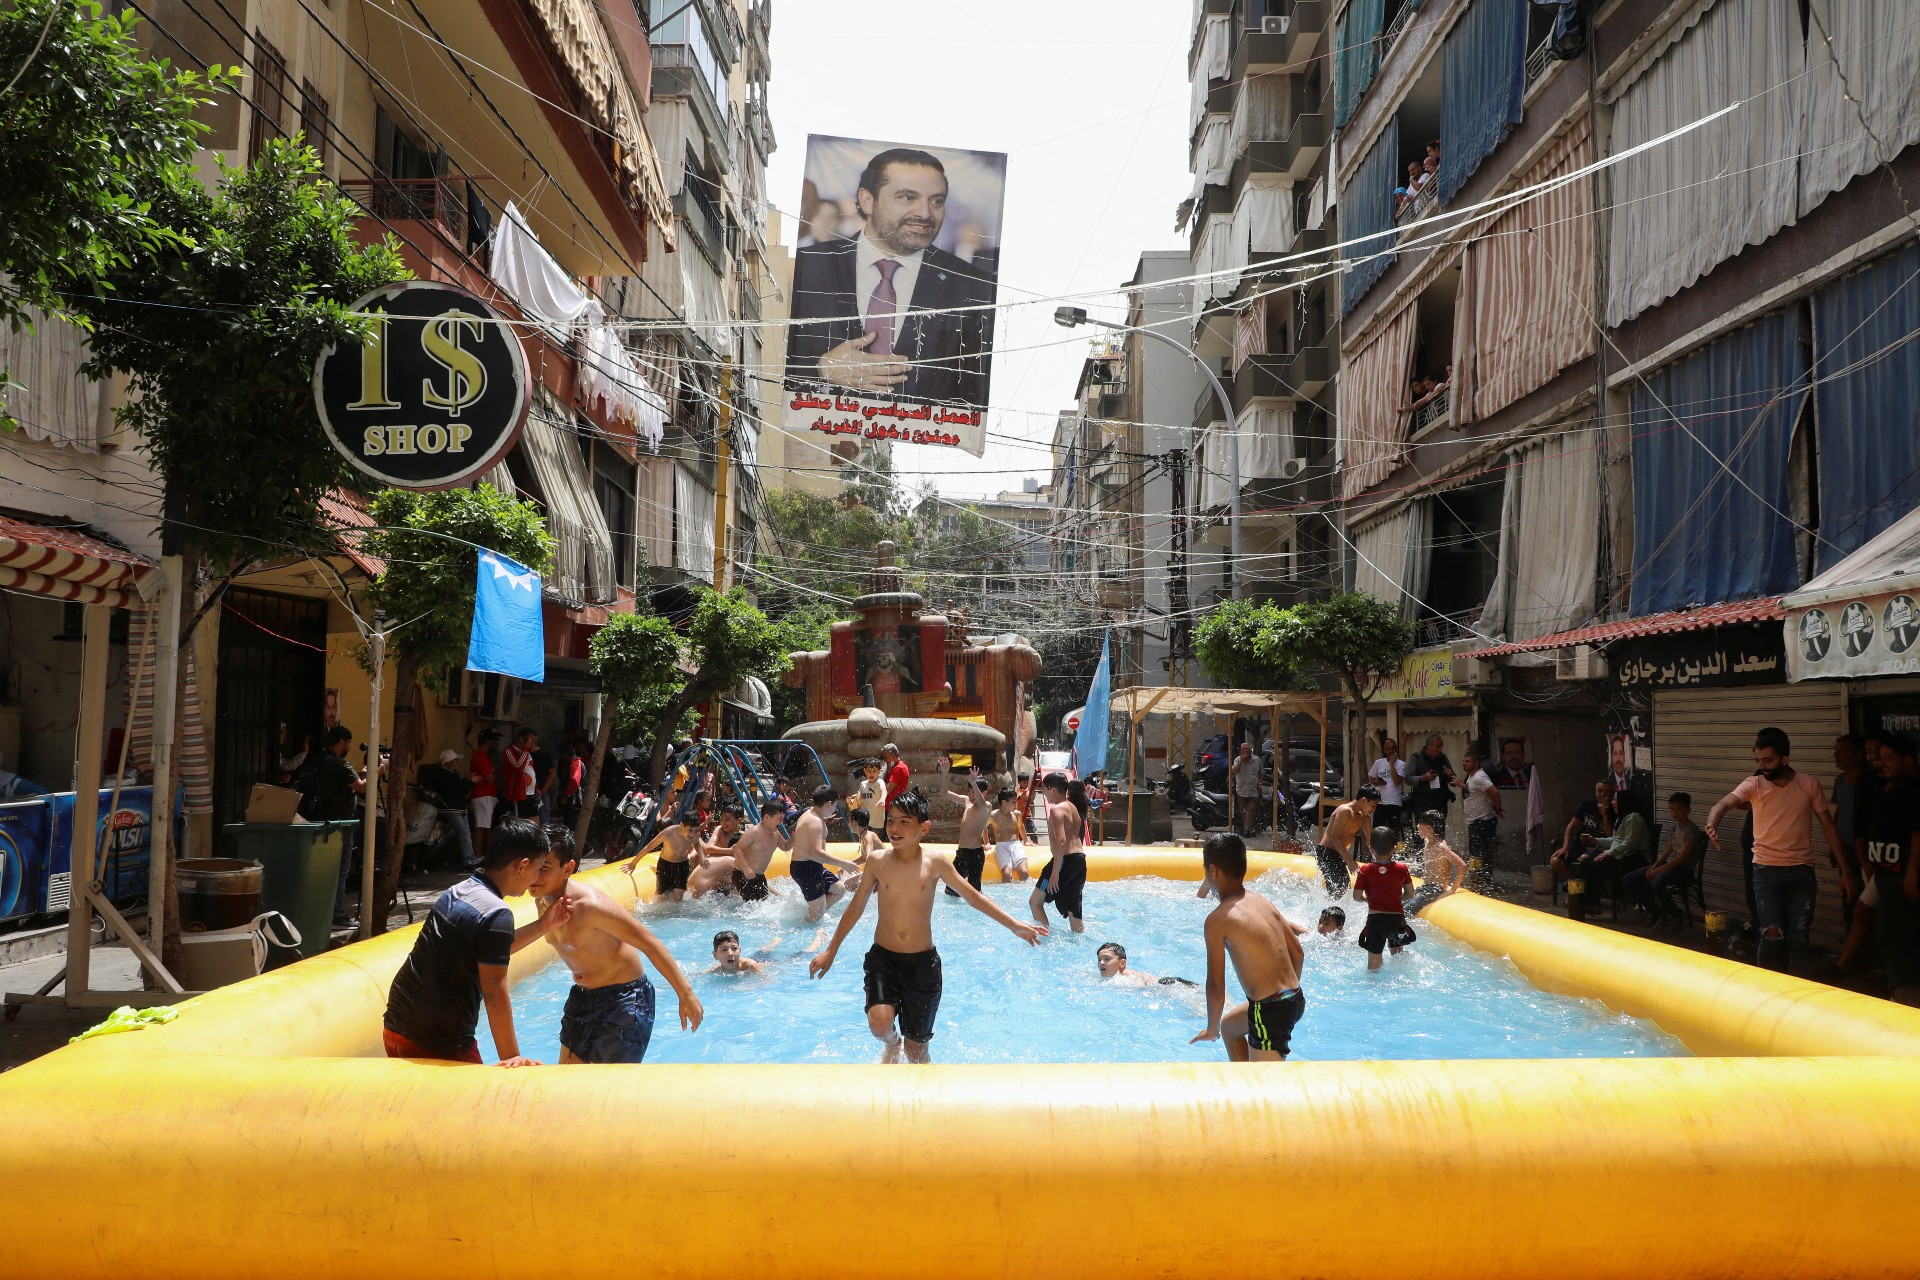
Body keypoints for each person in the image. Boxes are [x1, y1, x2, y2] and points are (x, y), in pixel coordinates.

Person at [808, 788, 1046, 1063]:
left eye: (904, 822)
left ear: (924, 828)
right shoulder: (877, 861)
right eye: (891, 820)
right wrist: (831, 951)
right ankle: (891, 1043)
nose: (894, 828)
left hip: (923, 966)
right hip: (883, 959)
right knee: (879, 1023)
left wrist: (1014, 925)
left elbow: (973, 896)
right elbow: (856, 907)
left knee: (916, 1053)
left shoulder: (935, 862)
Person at [785, 147, 997, 408]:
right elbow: (762, 364)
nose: (925, 213)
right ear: (867, 201)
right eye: (908, 197)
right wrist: (820, 371)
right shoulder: (807, 266)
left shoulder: (973, 286)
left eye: (936, 201)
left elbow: (977, 392)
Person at [382, 817, 569, 1065]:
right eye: (538, 868)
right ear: (521, 867)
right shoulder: (497, 913)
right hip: (436, 1040)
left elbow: (488, 948)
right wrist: (512, 1057)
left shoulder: (459, 890)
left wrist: (544, 925)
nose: (536, 878)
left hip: (396, 1025)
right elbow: (494, 991)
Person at [530, 826, 702, 1063]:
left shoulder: (589, 906)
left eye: (545, 867)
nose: (535, 875)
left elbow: (648, 942)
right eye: (532, 865)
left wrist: (686, 993)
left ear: (568, 869)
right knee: (568, 1082)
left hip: (624, 998)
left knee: (607, 1088)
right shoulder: (541, 901)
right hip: (584, 996)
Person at [1705, 727, 1850, 974]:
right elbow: (1724, 803)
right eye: (1758, 761)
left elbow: (1829, 827)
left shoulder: (1809, 784)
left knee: (1799, 937)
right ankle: (1768, 992)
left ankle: (1797, 992)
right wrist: (1712, 822)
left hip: (1802, 871)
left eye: (1768, 760)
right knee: (1771, 935)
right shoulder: (1754, 784)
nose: (1762, 766)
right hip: (1766, 872)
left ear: (1785, 759)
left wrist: (1846, 872)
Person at [1190, 833, 1308, 1061]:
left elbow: (1215, 984)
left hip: (1269, 1010)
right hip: (1294, 998)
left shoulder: (1217, 920)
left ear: (1212, 871)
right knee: (1230, 1028)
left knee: (1265, 1088)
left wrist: (1210, 1029)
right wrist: (1288, 998)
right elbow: (1298, 953)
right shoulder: (1261, 901)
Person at [1861, 734, 1920, 1004]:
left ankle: (1907, 997)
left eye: (1888, 758)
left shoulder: (1914, 787)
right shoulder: (1889, 786)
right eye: (1878, 757)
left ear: (1908, 759)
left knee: (1902, 935)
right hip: (1887, 875)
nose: (1881, 763)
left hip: (1903, 879)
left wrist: (1912, 873)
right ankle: (1899, 990)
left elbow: (1918, 832)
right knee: (1890, 932)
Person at [1832, 734, 1883, 974]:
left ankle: (1867, 958)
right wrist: (1834, 846)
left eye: (1841, 751)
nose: (1836, 755)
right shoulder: (1840, 782)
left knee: (1868, 904)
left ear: (1857, 754)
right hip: (1845, 850)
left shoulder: (1871, 782)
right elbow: (1839, 812)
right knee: (1849, 899)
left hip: (1865, 852)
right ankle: (1853, 953)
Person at [307, 725, 366, 927]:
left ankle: (320, 913)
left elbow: (348, 781)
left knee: (323, 870)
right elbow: (361, 786)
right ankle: (337, 915)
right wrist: (379, 769)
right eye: (348, 743)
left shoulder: (319, 760)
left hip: (320, 822)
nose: (349, 746)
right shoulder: (339, 763)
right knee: (341, 871)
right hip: (340, 824)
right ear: (341, 742)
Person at [1622, 793, 1705, 925]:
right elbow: (1666, 853)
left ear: (1688, 810)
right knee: (1630, 879)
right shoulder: (1674, 828)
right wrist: (1654, 867)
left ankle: (1676, 914)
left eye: (1679, 809)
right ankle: (1656, 912)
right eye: (1671, 808)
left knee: (1657, 881)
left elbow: (1682, 859)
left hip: (1683, 870)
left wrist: (1658, 871)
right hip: (1670, 866)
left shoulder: (1692, 830)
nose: (1674, 812)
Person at [790, 785, 864, 921]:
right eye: (835, 805)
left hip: (812, 866)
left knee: (839, 889)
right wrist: (843, 863)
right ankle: (809, 919)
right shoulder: (815, 822)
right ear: (829, 804)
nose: (835, 809)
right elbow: (816, 852)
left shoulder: (812, 814)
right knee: (817, 916)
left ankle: (815, 909)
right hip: (806, 869)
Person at [1029, 772, 1089, 934]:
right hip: (1079, 860)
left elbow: (1061, 841)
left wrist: (1055, 873)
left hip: (1063, 861)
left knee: (1035, 902)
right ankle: (1079, 942)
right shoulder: (1074, 809)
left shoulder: (1056, 810)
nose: (1045, 795)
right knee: (1073, 910)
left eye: (1044, 791)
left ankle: (1046, 937)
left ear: (1053, 790)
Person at [1353, 825, 1416, 971]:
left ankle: (1374, 989)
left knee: (1374, 962)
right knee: (1398, 957)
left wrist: (1367, 899)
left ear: (1371, 848)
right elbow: (1410, 894)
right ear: (1394, 848)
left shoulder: (1365, 870)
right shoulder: (1402, 868)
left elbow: (1356, 896)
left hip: (1376, 921)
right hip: (1397, 920)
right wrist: (1395, 899)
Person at [1314, 784, 1379, 894]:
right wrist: (1350, 861)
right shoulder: (1345, 811)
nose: (1374, 809)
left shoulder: (1365, 816)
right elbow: (1335, 838)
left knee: (1344, 888)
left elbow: (1370, 840)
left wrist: (1380, 860)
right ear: (1363, 800)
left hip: (1340, 853)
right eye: (1373, 805)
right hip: (1326, 852)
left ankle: (1332, 908)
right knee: (1338, 890)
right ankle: (1328, 910)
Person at [418, 747, 476, 868]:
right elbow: (453, 791)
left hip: (460, 808)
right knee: (463, 833)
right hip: (450, 808)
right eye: (455, 760)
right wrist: (466, 780)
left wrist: (470, 782)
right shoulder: (442, 774)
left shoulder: (454, 773)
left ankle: (471, 858)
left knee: (467, 834)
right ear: (450, 762)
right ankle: (468, 862)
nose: (457, 763)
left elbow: (461, 790)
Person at [1551, 780, 1617, 881]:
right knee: (1555, 861)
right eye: (1600, 791)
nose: (1603, 795)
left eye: (1607, 792)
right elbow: (1571, 825)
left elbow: (1610, 837)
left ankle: (1582, 886)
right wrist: (1565, 846)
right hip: (1580, 843)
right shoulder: (1587, 804)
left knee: (1584, 858)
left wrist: (1605, 814)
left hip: (1599, 847)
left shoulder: (1615, 809)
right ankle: (1574, 882)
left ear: (1613, 793)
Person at [628, 810, 700, 902]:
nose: (693, 834)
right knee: (661, 899)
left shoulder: (695, 835)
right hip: (665, 865)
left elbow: (697, 844)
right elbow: (648, 847)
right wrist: (633, 863)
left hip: (681, 865)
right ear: (682, 825)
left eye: (696, 830)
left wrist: (702, 857)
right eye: (690, 830)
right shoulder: (668, 833)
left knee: (678, 900)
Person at [727, 800, 791, 903]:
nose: (781, 822)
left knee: (762, 905)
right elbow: (737, 849)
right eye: (779, 819)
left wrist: (797, 836)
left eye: (782, 818)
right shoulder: (754, 832)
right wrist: (746, 868)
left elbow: (785, 847)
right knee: (753, 906)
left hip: (759, 875)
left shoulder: (776, 834)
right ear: (766, 817)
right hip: (743, 874)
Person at [943, 762, 992, 894]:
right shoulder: (966, 801)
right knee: (951, 890)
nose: (971, 795)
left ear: (984, 793)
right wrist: (945, 773)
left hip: (975, 854)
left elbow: (981, 803)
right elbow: (944, 793)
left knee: (974, 892)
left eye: (974, 792)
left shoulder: (986, 806)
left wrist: (974, 784)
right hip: (961, 852)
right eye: (969, 791)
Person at [1458, 746, 1502, 888]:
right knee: (1478, 852)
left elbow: (1494, 792)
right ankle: (1481, 880)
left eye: (1468, 761)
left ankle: (1482, 881)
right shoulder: (1473, 777)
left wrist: (1498, 808)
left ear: (1476, 763)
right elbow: (1474, 792)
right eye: (1463, 761)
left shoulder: (1479, 777)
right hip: (1477, 821)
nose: (1464, 764)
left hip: (1482, 821)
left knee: (1480, 853)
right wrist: (1461, 785)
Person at [1406, 810, 1465, 914]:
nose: (1418, 826)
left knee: (1408, 909)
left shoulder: (1441, 847)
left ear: (1428, 828)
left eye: (1420, 823)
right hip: (1425, 888)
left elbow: (1462, 866)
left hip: (1436, 889)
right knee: (1400, 901)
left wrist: (1452, 890)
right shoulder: (1427, 841)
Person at [1406, 734, 1455, 838]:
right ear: (1429, 746)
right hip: (1422, 804)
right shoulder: (1417, 758)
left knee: (1439, 834)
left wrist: (1450, 775)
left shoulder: (1443, 758)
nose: (1440, 749)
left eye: (1441, 746)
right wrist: (1422, 778)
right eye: (1437, 746)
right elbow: (1407, 779)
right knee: (1423, 834)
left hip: (1440, 804)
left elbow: (1453, 779)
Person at [1096, 941, 1196, 989]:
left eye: (1107, 959)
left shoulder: (1127, 977)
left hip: (1168, 984)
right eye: (1099, 959)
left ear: (1122, 963)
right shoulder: (1112, 978)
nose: (1101, 962)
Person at [468, 728, 502, 862]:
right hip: (484, 795)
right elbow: (489, 777)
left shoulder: (484, 755)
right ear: (489, 741)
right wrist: (500, 771)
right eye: (494, 739)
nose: (496, 742)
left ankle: (484, 855)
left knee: (485, 827)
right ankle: (478, 856)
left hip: (486, 795)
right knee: (482, 827)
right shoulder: (480, 756)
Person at [988, 786, 1030, 882]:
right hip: (1002, 846)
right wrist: (986, 842)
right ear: (1004, 803)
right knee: (1007, 875)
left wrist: (1026, 841)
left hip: (1016, 844)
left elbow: (1021, 827)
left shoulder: (1017, 814)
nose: (1016, 804)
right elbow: (982, 828)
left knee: (1024, 873)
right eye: (1013, 802)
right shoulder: (994, 815)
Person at [1367, 738, 1410, 834]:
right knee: (1377, 831)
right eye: (1388, 748)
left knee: (1392, 833)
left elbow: (1397, 781)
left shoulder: (1401, 764)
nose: (1391, 751)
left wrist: (1391, 764)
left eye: (1393, 748)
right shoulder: (1378, 763)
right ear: (1384, 750)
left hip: (1394, 803)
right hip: (1380, 803)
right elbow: (1371, 779)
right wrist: (1378, 782)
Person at [502, 728, 538, 819]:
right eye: (531, 740)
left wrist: (535, 788)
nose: (533, 743)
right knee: (521, 822)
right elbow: (518, 768)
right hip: (518, 793)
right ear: (522, 738)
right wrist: (525, 749)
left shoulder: (527, 753)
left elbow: (530, 770)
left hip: (531, 793)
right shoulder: (509, 751)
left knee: (535, 821)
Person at [1229, 743, 1262, 837]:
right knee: (1244, 811)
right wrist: (1241, 761)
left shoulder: (1257, 760)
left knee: (1250, 811)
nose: (1245, 751)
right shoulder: (1237, 760)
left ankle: (1247, 829)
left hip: (1253, 790)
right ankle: (1250, 830)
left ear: (1250, 750)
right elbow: (1234, 771)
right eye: (1243, 749)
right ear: (1240, 751)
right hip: (1241, 790)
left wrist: (1260, 783)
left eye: (1247, 749)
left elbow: (1261, 772)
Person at [850, 758, 888, 832]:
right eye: (869, 771)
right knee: (865, 839)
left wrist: (882, 799)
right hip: (865, 820)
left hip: (877, 820)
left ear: (879, 771)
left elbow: (884, 790)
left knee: (876, 840)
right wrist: (855, 799)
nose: (871, 773)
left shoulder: (879, 782)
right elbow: (860, 797)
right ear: (864, 771)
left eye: (874, 771)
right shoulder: (863, 784)